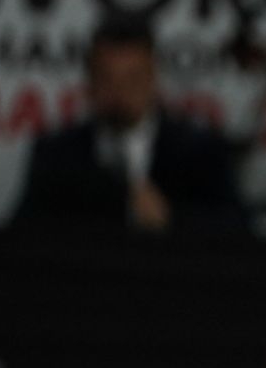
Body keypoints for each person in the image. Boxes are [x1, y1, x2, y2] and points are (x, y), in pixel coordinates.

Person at [14, 14, 242, 235]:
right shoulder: (57, 155)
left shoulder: (201, 152)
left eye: (133, 79)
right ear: (90, 81)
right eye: (107, 79)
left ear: (153, 78)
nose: (119, 92)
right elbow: (23, 235)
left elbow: (236, 229)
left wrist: (172, 219)